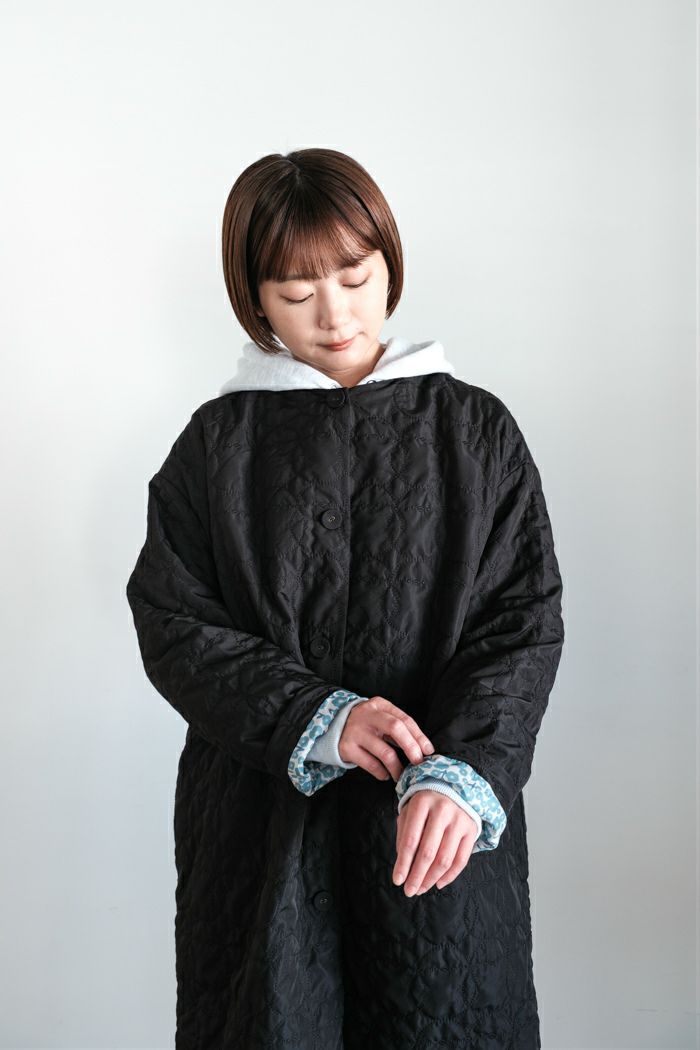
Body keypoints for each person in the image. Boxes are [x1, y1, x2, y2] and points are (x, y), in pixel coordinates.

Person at [126, 147, 565, 1050]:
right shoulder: (216, 446)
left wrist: (467, 771)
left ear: (390, 265)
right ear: (255, 300)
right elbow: (174, 622)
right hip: (263, 834)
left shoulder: (474, 430)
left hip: (434, 827)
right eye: (296, 292)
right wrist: (315, 716)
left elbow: (520, 622)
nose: (335, 315)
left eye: (357, 279)